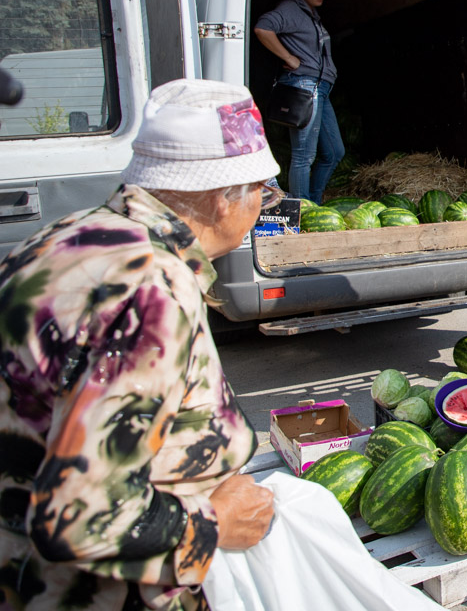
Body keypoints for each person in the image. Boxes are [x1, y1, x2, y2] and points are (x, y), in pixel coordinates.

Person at [0, 80, 279, 610]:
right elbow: (78, 518)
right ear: (225, 199)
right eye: (264, 191)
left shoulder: (62, 237)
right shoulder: (151, 290)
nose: (265, 206)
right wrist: (214, 522)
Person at [253, 0, 344, 203]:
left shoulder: (311, 15)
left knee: (335, 152)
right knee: (304, 154)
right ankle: (302, 209)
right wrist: (288, 57)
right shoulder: (291, 9)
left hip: (320, 89)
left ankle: (312, 201)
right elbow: (263, 28)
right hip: (304, 86)